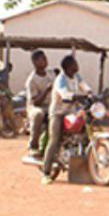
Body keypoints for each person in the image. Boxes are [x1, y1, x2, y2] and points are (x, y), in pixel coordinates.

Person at [42, 55, 91, 184]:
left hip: (71, 111)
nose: (77, 65)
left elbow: (84, 86)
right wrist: (76, 96)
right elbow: (65, 94)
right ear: (68, 66)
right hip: (58, 112)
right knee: (54, 139)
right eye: (75, 63)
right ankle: (46, 172)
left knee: (85, 129)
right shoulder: (60, 79)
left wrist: (91, 94)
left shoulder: (76, 76)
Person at [25, 50, 55, 157]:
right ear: (35, 62)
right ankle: (33, 145)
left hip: (52, 105)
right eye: (42, 59)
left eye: (45, 58)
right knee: (38, 114)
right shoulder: (32, 80)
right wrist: (46, 90)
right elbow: (35, 101)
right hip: (37, 106)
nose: (45, 61)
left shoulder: (51, 74)